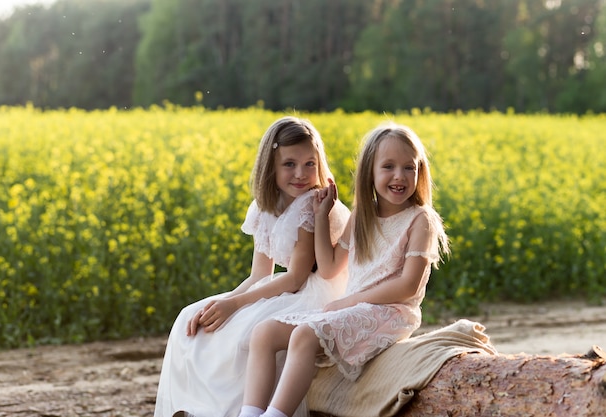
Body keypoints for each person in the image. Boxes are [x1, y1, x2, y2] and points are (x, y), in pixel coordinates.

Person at [237, 122, 450, 417]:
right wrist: (322, 216)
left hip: (390, 312)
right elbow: (328, 268)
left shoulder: (420, 219)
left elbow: (408, 285)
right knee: (264, 333)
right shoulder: (363, 216)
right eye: (388, 166)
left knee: (304, 335)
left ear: (420, 172)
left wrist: (347, 303)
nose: (399, 176)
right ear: (370, 172)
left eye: (409, 168)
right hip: (353, 309)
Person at [154, 116, 351, 417]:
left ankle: (244, 410)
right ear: (270, 165)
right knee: (189, 317)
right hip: (282, 287)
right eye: (289, 164)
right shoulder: (264, 206)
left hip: (318, 291)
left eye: (310, 164)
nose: (301, 174)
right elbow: (260, 275)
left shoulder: (311, 204)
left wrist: (236, 305)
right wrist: (226, 301)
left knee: (247, 331)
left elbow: (296, 278)